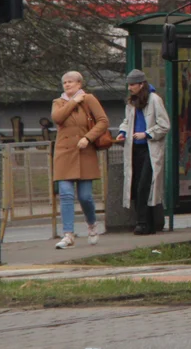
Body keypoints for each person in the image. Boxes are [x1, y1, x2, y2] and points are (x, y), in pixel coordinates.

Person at [51, 71, 109, 249]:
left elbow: (103, 121)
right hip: (64, 153)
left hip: (85, 152)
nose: (67, 85)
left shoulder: (89, 99)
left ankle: (92, 225)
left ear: (79, 84)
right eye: (65, 83)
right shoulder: (58, 102)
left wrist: (88, 138)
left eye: (71, 82)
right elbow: (57, 118)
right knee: (66, 195)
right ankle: (68, 234)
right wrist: (72, 102)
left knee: (85, 197)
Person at [116, 69, 170, 235]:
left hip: (149, 148)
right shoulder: (131, 102)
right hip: (135, 148)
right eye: (129, 85)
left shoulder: (154, 100)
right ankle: (147, 223)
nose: (130, 88)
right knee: (136, 184)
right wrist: (123, 132)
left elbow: (164, 125)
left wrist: (146, 134)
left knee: (144, 186)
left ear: (141, 84)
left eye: (133, 85)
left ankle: (143, 222)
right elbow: (127, 121)